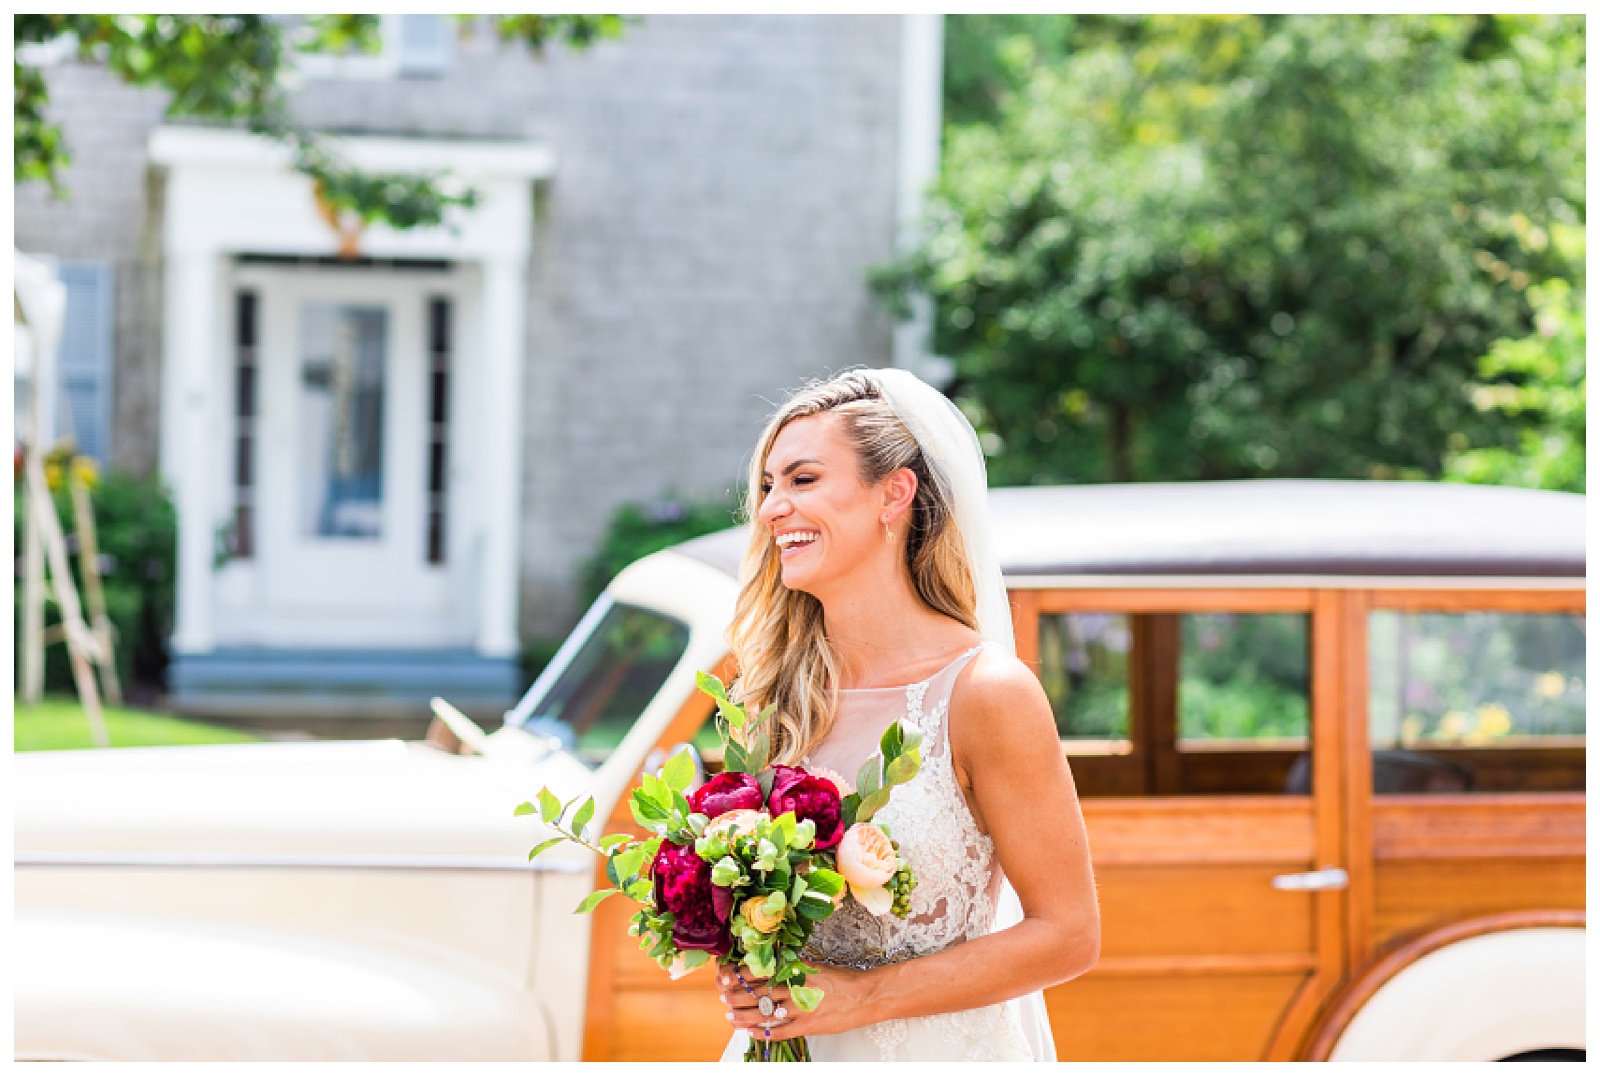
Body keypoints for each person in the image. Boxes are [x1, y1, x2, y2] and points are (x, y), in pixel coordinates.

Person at [714, 369, 1099, 1062]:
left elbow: (1068, 934)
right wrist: (743, 958)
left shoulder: (987, 692)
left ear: (894, 493)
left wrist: (862, 998)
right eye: (769, 486)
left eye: (802, 481)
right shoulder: (773, 692)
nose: (772, 509)